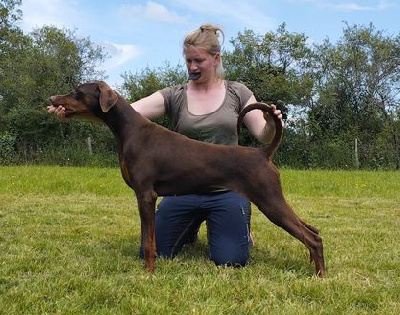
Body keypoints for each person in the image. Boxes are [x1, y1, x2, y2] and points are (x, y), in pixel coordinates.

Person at [48, 23, 283, 267]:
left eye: (198, 60)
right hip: (184, 190)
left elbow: (264, 136)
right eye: (188, 60)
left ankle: (239, 226)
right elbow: (121, 114)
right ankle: (189, 224)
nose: (192, 66)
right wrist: (75, 111)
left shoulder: (238, 92)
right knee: (152, 252)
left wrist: (271, 123)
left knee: (230, 259)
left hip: (227, 189)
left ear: (215, 58)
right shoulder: (174, 94)